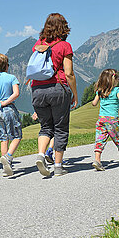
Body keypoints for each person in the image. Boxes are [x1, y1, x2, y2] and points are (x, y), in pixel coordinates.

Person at [31, 13, 78, 177]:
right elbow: (69, 73)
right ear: (64, 27)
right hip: (58, 88)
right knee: (60, 127)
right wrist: (74, 94)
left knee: (45, 127)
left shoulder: (38, 44)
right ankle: (58, 166)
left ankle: (41, 155)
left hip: (37, 91)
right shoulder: (65, 45)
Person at [0, 53, 22, 177]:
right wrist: (6, 102)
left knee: (3, 138)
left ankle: (5, 167)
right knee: (17, 136)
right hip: (8, 109)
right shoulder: (11, 77)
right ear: (6, 66)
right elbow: (16, 93)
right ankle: (8, 157)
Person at [91, 69, 119, 171]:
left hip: (101, 120)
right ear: (114, 80)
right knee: (118, 139)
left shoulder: (100, 91)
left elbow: (94, 103)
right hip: (112, 120)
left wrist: (95, 100)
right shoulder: (117, 90)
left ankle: (97, 160)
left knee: (100, 140)